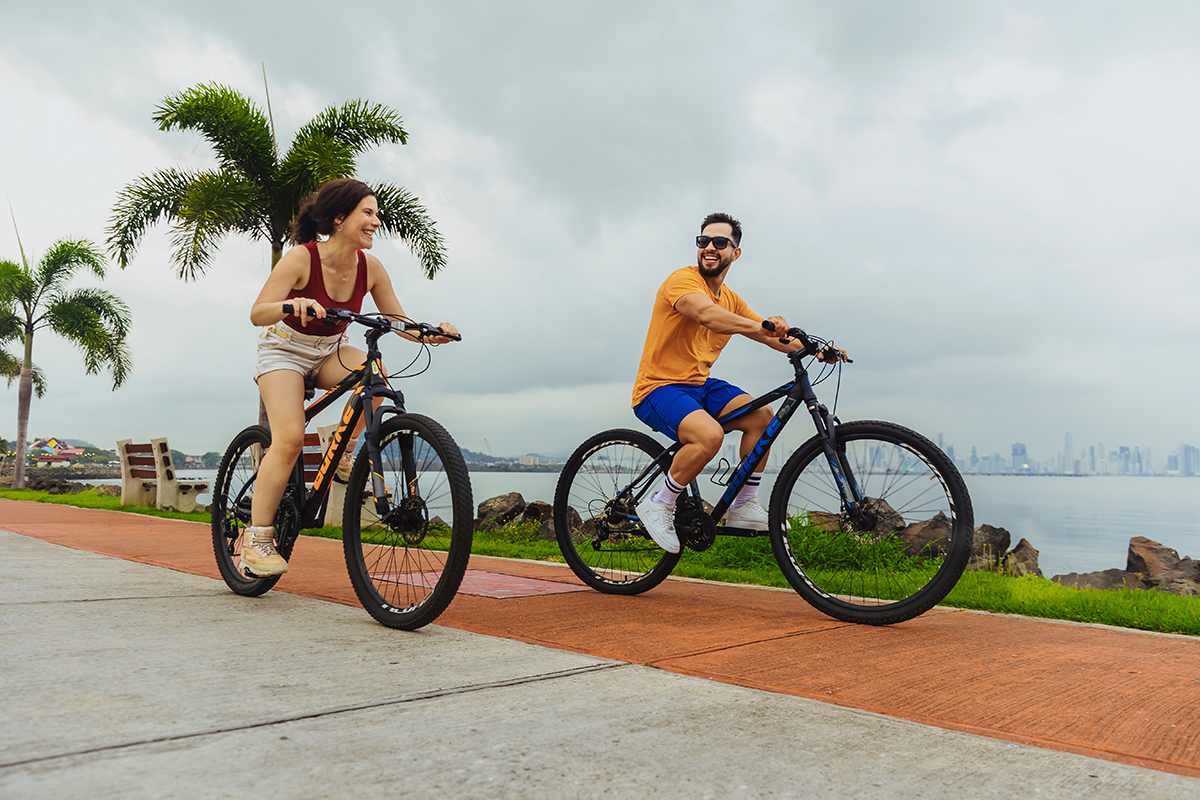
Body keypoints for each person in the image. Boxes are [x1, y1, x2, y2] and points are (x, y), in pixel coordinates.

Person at [243, 178, 459, 576]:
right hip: (284, 350)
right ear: (339, 218)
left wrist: (429, 333)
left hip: (329, 350)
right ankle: (256, 540)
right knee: (289, 438)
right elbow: (258, 312)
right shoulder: (301, 259)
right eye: (368, 213)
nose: (376, 221)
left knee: (376, 373)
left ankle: (344, 457)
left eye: (377, 214)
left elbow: (397, 319)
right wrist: (293, 304)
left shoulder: (370, 267)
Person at [631, 212, 845, 554]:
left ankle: (742, 506)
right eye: (703, 241)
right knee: (709, 436)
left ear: (735, 252)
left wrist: (817, 349)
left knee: (762, 417)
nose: (709, 248)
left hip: (700, 385)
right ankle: (661, 503)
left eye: (720, 242)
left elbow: (771, 338)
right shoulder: (682, 280)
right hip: (659, 387)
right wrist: (762, 325)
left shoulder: (731, 299)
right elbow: (706, 315)